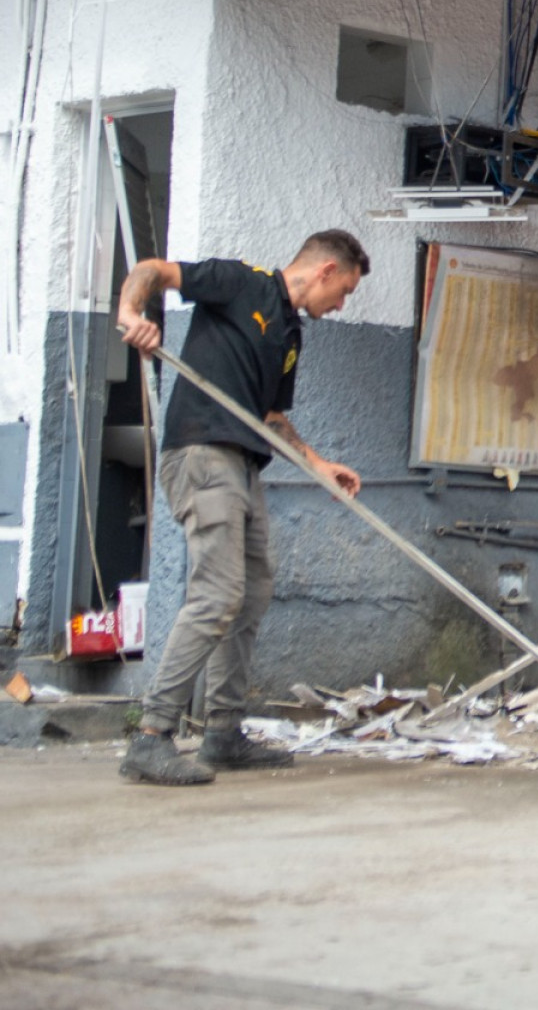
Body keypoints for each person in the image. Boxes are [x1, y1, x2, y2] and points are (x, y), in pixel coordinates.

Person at [115, 231, 370, 785]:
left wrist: (318, 464)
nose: (342, 305)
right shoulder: (239, 283)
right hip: (203, 455)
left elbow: (273, 421)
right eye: (345, 291)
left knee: (251, 591)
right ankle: (151, 735)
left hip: (244, 466)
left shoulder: (290, 333)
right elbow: (153, 270)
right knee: (217, 595)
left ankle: (223, 732)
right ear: (326, 271)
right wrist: (130, 312)